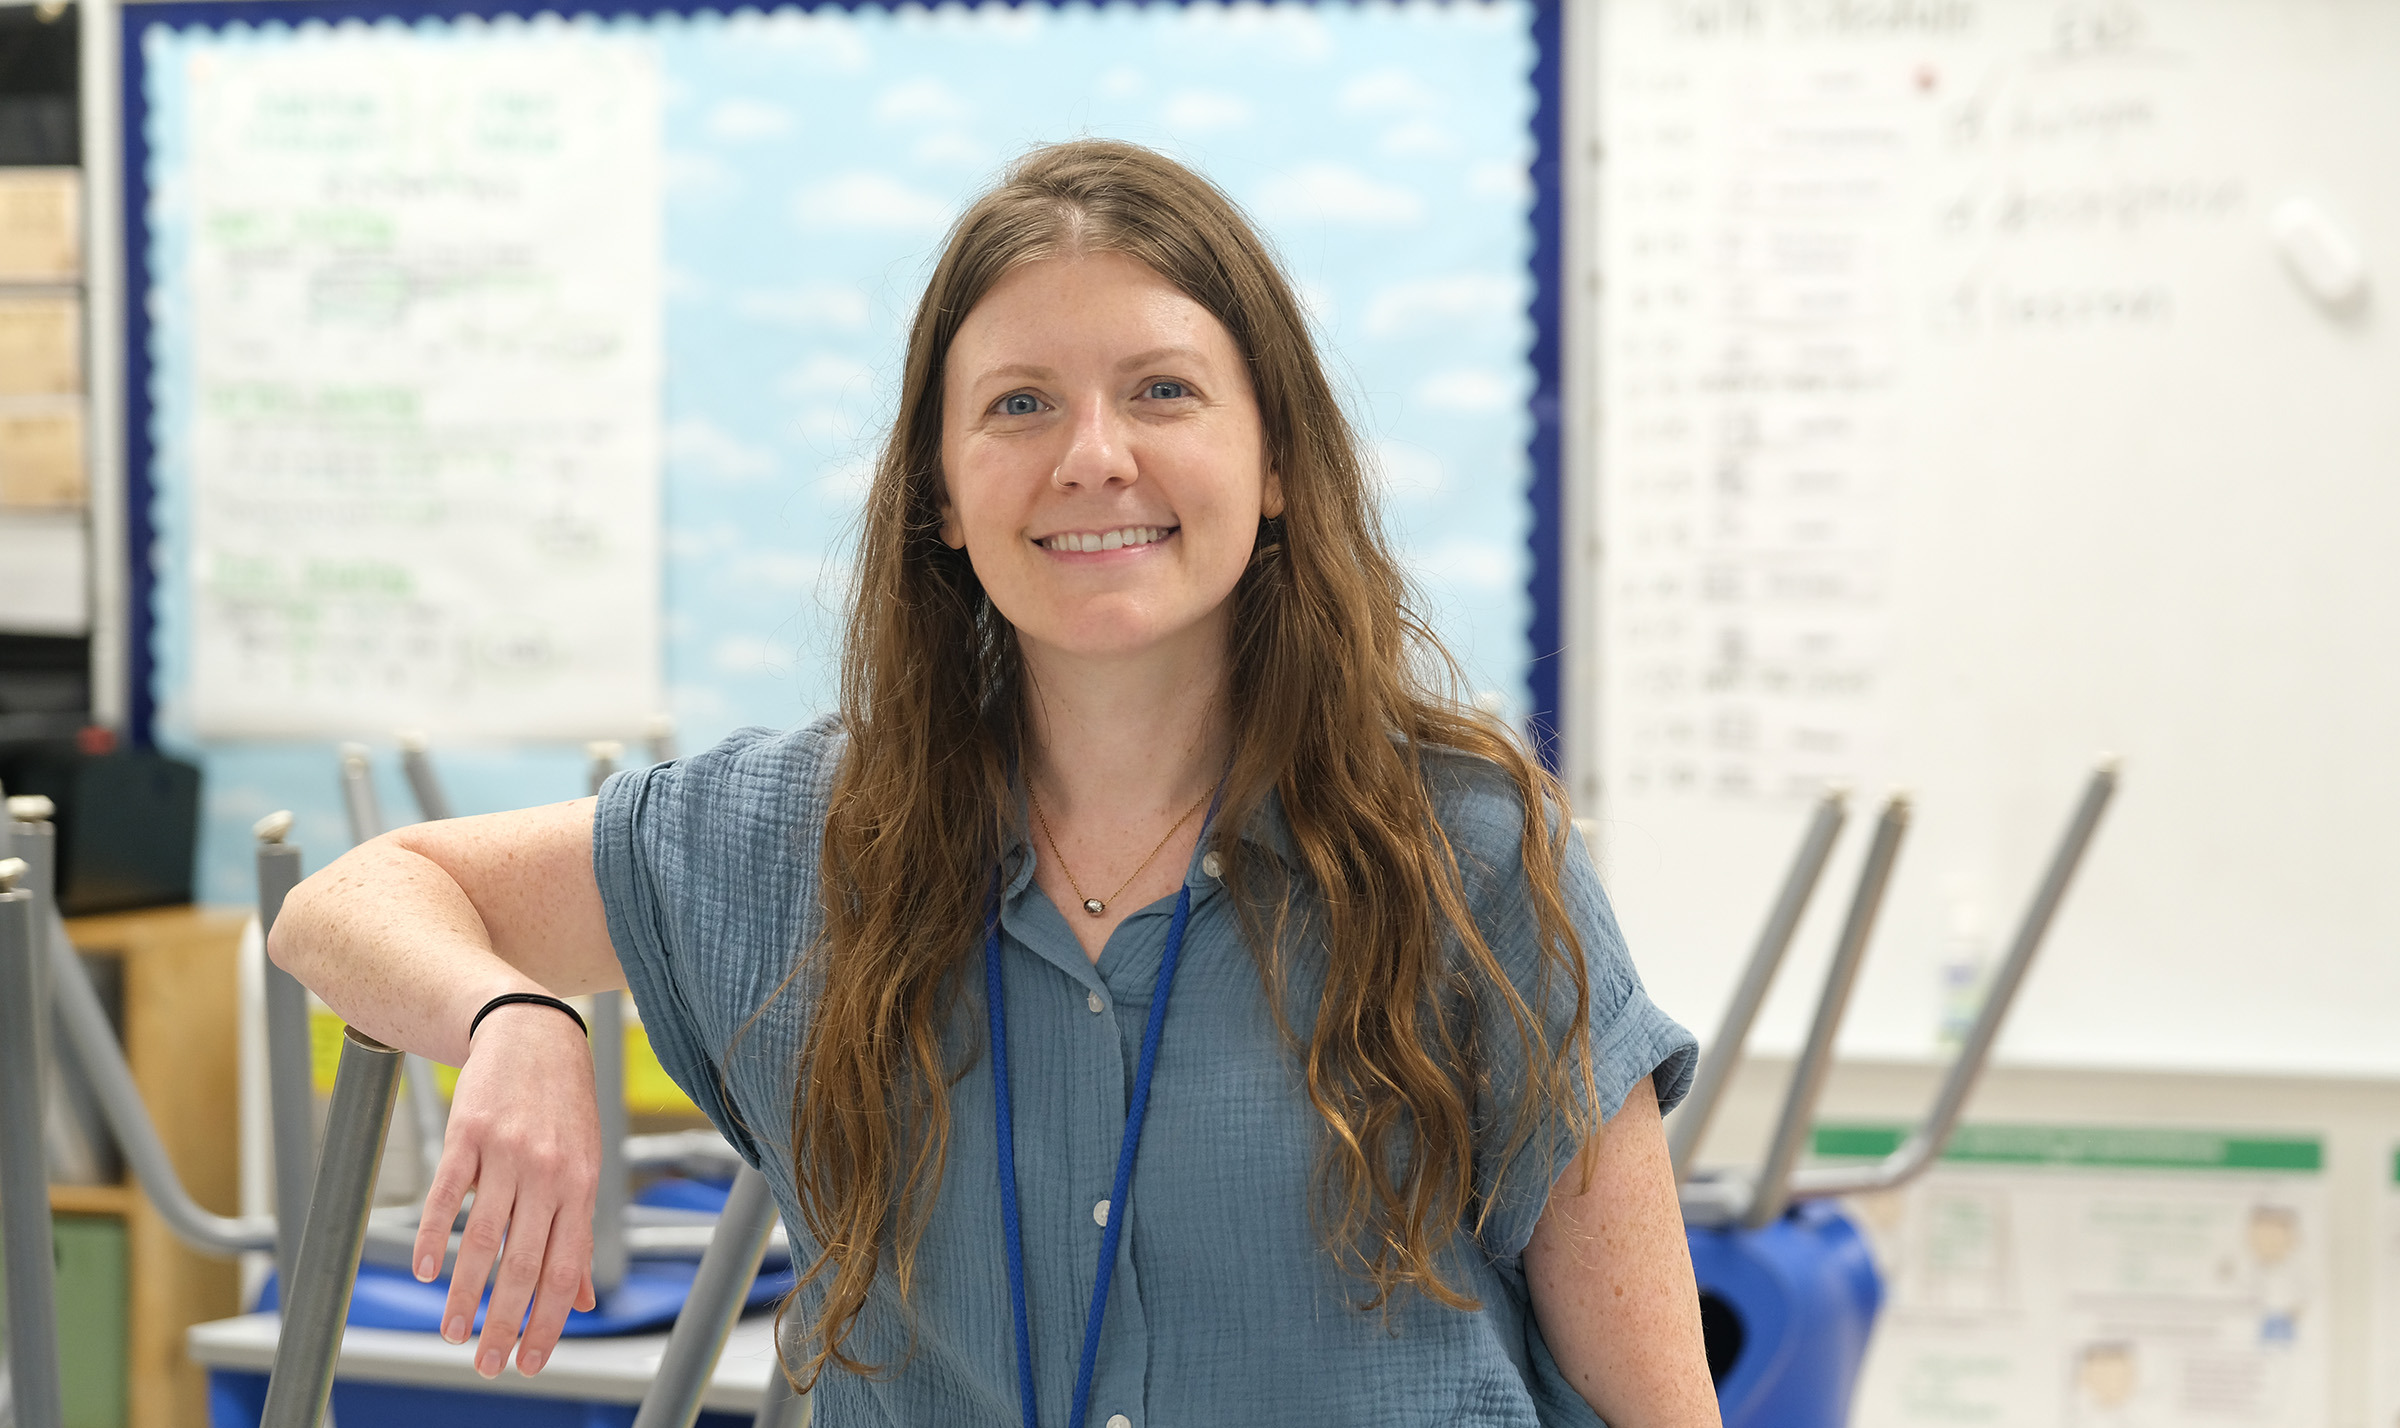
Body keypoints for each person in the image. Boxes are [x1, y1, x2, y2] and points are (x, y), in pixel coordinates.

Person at [271, 139, 1715, 1427]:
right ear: (944, 498)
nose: (1093, 457)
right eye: (1020, 405)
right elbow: (351, 903)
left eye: (1162, 391)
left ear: (1273, 461)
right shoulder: (801, 842)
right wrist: (511, 1017)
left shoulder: (1459, 853)